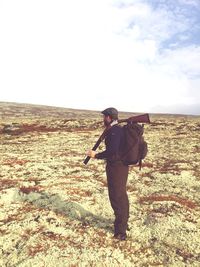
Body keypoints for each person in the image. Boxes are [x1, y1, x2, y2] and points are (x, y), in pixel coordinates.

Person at [87, 107, 129, 241]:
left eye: (104, 117)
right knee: (121, 195)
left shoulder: (115, 131)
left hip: (116, 168)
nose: (103, 119)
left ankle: (120, 232)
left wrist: (96, 155)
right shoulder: (116, 129)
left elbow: (112, 151)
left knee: (117, 197)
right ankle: (123, 224)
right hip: (120, 167)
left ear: (109, 117)